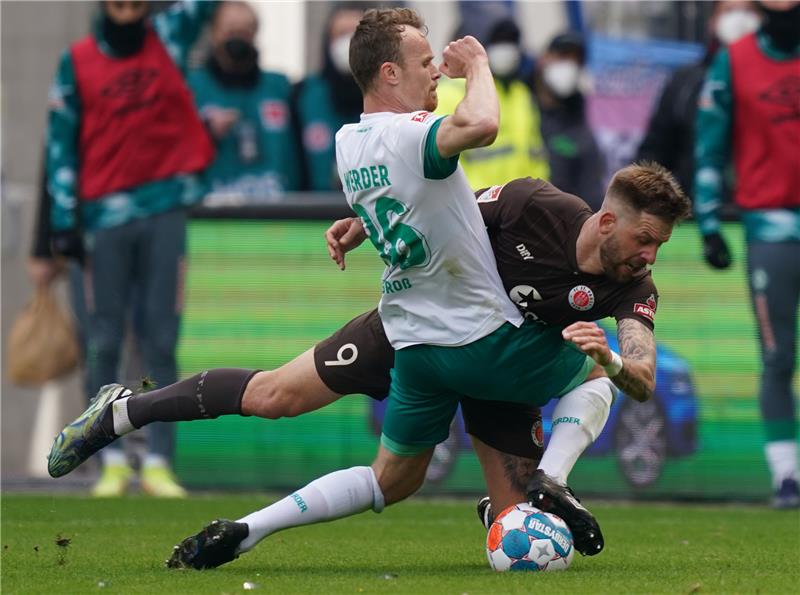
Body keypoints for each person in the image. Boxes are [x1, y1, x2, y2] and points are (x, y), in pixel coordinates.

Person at [48, 8, 689, 567]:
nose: (437, 71)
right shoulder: (454, 157)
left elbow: (431, 197)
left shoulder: (350, 142)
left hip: (414, 331)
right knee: (588, 380)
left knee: (335, 436)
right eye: (423, 61)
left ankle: (140, 427)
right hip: (472, 338)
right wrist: (481, 67)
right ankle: (547, 481)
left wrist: (364, 222)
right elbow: (482, 127)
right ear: (388, 74)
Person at [46, 0, 218, 497]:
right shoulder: (75, 60)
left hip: (165, 208)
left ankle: (160, 459)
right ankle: (111, 460)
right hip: (101, 220)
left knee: (161, 340)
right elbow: (58, 140)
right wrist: (62, 222)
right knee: (102, 342)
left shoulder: (170, 33)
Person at [693, 0, 800, 509]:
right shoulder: (732, 61)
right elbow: (710, 145)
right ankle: (787, 476)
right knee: (778, 356)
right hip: (770, 228)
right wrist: (709, 223)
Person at [637, 0, 761, 198]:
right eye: (729, 10)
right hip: (691, 219)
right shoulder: (685, 83)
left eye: (748, 10)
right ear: (713, 21)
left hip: (764, 218)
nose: (740, 19)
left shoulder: (780, 80)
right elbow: (654, 153)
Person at [188, 1, 299, 201]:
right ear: (214, 33)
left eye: (245, 32)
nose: (238, 38)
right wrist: (205, 131)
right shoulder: (191, 88)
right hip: (211, 216)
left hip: (277, 215)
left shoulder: (280, 88)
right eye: (230, 31)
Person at [435, 18, 549, 189]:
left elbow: (536, 156)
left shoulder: (520, 93)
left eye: (511, 42)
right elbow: (442, 163)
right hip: (477, 208)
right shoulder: (448, 94)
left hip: (521, 208)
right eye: (498, 42)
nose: (507, 50)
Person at [293, 2, 364, 191]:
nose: (348, 43)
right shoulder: (302, 94)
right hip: (313, 213)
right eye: (341, 35)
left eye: (356, 35)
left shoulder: (390, 97)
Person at [534, 32, 606, 211]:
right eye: (563, 56)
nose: (568, 66)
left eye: (576, 61)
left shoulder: (579, 123)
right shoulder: (519, 105)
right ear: (544, 58)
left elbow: (591, 192)